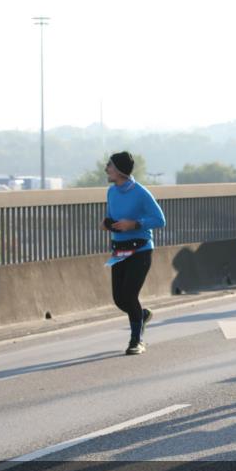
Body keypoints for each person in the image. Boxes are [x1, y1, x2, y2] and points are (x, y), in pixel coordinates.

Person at [101, 151, 166, 355]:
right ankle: (142, 315)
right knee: (119, 299)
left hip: (140, 250)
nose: (106, 169)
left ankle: (136, 340)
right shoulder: (111, 192)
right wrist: (107, 224)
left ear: (120, 170)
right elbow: (111, 217)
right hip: (120, 250)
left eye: (110, 165)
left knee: (129, 295)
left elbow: (160, 220)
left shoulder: (141, 193)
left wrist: (135, 224)